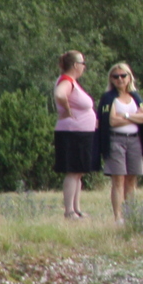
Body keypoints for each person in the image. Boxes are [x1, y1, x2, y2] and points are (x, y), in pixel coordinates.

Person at [95, 62, 143, 223]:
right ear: (111, 79)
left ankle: (131, 216)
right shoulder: (109, 98)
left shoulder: (136, 97)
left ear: (129, 77)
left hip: (135, 140)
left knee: (131, 180)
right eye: (116, 76)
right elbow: (111, 121)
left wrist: (126, 116)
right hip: (115, 140)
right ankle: (118, 218)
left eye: (123, 76)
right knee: (118, 180)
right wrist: (135, 117)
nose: (120, 79)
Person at [50, 50, 99, 220]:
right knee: (73, 171)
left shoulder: (72, 82)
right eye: (83, 63)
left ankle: (76, 208)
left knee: (79, 172)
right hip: (73, 133)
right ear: (76, 65)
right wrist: (68, 110)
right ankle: (69, 210)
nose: (84, 67)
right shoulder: (67, 81)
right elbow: (60, 94)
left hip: (82, 133)